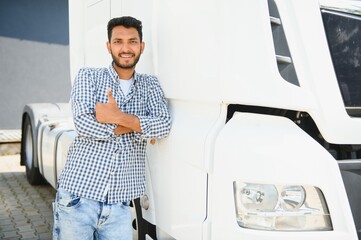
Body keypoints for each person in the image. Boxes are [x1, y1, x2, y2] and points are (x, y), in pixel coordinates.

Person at [53, 16, 172, 239]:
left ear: (141, 46)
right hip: (78, 197)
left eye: (132, 41)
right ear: (109, 46)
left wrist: (116, 116)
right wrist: (138, 124)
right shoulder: (89, 77)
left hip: (120, 205)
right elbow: (84, 125)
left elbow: (163, 125)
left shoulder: (150, 85)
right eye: (118, 41)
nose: (125, 48)